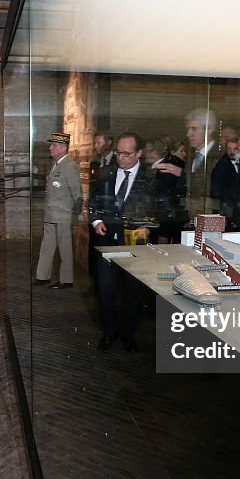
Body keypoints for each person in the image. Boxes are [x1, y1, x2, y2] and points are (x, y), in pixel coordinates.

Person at [89, 132, 157, 353]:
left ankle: (128, 334)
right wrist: (96, 220)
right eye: (118, 152)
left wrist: (150, 227)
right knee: (106, 291)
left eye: (127, 154)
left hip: (135, 246)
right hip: (108, 241)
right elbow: (93, 200)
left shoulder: (150, 178)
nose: (121, 158)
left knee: (133, 293)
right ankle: (109, 332)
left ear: (139, 153)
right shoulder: (105, 173)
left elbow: (160, 210)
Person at [34, 132, 82, 289]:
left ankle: (66, 280)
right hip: (50, 214)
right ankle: (42, 277)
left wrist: (77, 214)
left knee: (65, 249)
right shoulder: (55, 165)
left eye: (53, 145)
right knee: (46, 247)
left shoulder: (70, 166)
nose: (50, 148)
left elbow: (77, 194)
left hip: (63, 216)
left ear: (63, 148)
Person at [143, 138, 186, 243]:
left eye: (147, 150)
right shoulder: (157, 168)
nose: (144, 154)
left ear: (155, 152)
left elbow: (167, 202)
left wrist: (164, 233)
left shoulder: (165, 170)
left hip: (163, 223)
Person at [209, 126, 239, 215]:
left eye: (235, 149)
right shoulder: (221, 167)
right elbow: (216, 193)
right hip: (226, 210)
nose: (232, 152)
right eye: (229, 149)